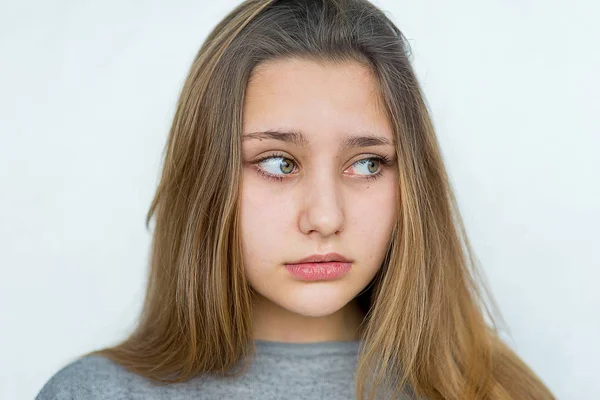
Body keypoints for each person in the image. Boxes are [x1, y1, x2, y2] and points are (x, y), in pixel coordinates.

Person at [36, 0, 556, 399]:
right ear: (206, 180)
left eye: (368, 163)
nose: (326, 217)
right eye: (279, 163)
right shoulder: (95, 392)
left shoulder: (498, 390)